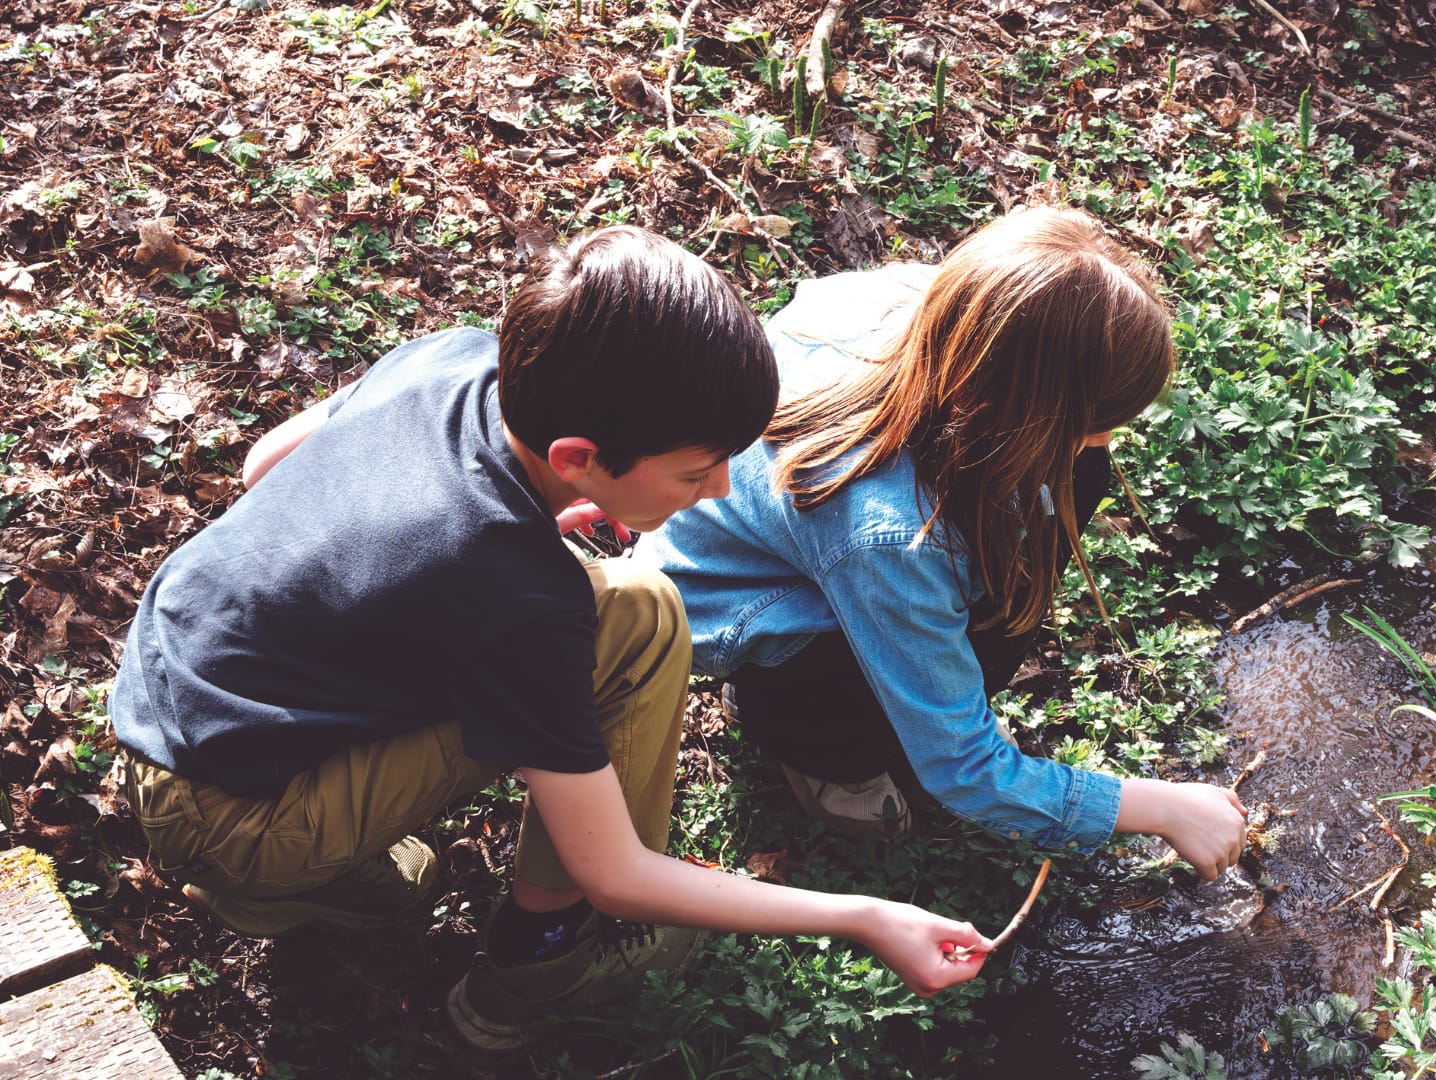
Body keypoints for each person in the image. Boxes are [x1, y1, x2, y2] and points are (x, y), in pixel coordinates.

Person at [109, 225, 987, 1053]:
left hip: (164, 691)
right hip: (232, 816)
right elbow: (617, 872)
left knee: (618, 610)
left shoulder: (457, 360)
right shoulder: (519, 597)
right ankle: (545, 958)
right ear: (576, 456)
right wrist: (866, 915)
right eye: (693, 470)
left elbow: (265, 464)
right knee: (637, 627)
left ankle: (302, 874)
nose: (720, 488)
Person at [650, 207, 1247, 876]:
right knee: (885, 688)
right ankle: (816, 750)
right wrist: (1160, 807)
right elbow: (962, 771)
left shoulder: (951, 313)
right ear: (1004, 408)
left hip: (819, 546)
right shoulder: (891, 535)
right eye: (1090, 424)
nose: (1102, 444)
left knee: (1072, 484)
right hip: (740, 604)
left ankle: (893, 679)